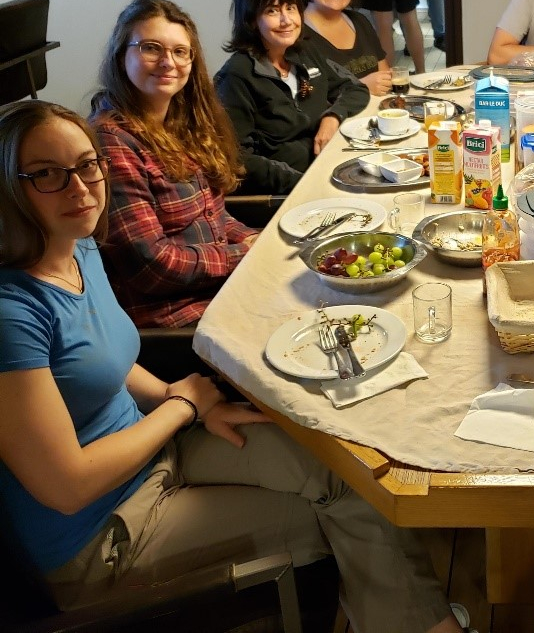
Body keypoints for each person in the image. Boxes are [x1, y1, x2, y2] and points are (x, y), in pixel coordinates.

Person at [0, 100, 465, 633]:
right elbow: (66, 485)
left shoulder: (77, 248)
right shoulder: (11, 314)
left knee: (346, 470)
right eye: (47, 175)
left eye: (87, 165)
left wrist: (189, 402)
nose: (80, 188)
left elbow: (102, 363)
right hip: (102, 537)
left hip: (152, 455)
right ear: (10, 190)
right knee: (339, 513)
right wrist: (181, 407)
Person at [89, 0, 257, 329]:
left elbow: (215, 216)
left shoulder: (181, 123)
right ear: (121, 55)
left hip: (220, 290)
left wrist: (260, 241)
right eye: (151, 48)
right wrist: (243, 256)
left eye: (181, 52)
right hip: (175, 319)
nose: (168, 62)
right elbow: (151, 265)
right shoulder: (110, 141)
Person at [215, 0, 369, 196]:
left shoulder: (305, 52)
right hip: (284, 193)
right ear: (252, 20)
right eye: (272, 11)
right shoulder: (237, 75)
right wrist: (306, 183)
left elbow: (355, 88)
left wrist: (332, 116)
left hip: (326, 169)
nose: (286, 20)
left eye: (290, 8)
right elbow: (238, 159)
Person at [297, 0, 393, 97]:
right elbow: (305, 97)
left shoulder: (360, 21)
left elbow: (384, 72)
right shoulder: (296, 32)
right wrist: (361, 87)